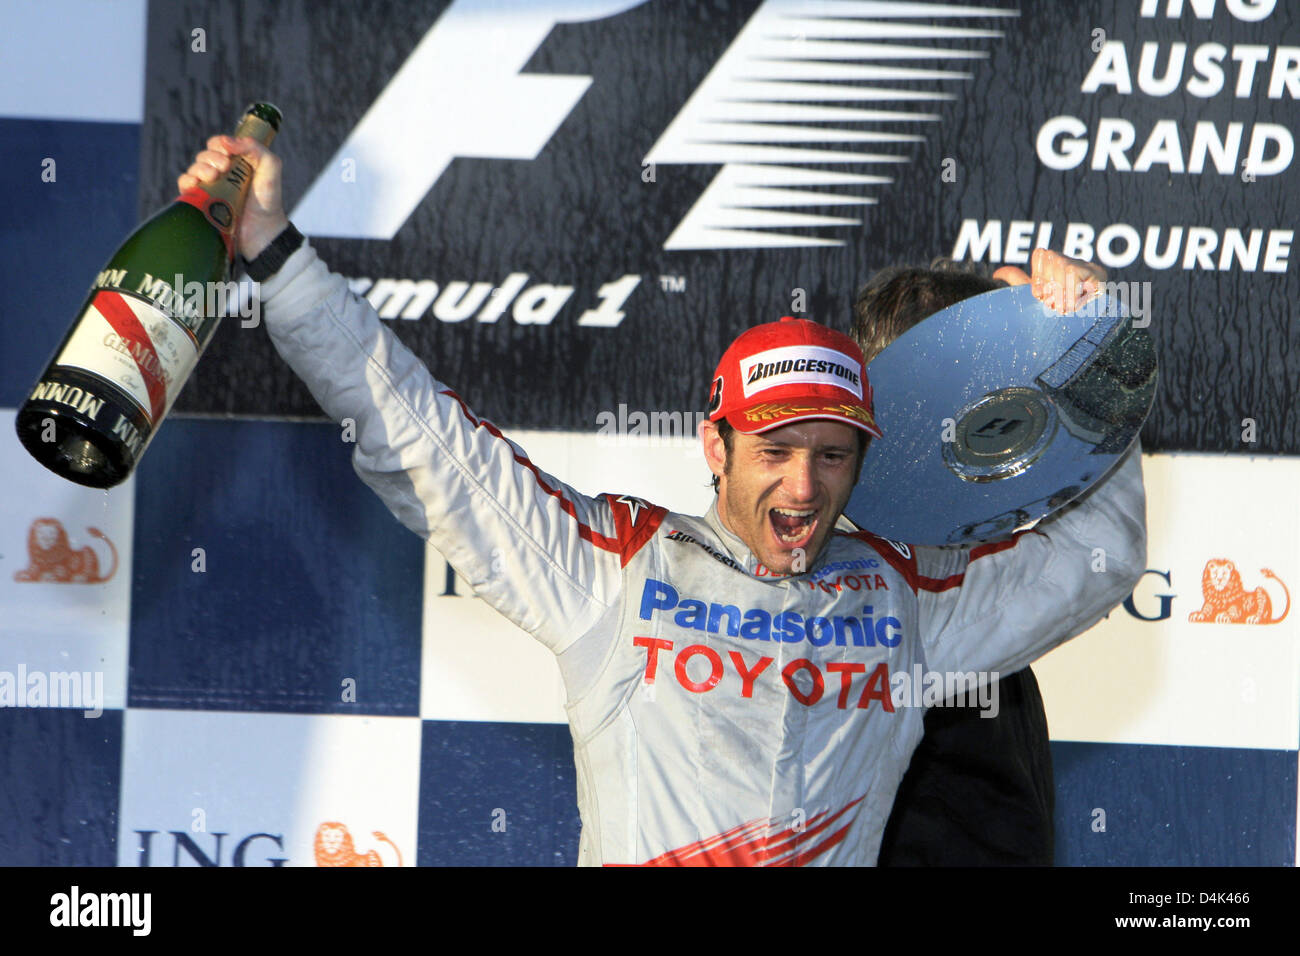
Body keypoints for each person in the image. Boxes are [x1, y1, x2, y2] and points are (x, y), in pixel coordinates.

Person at [179, 135, 1146, 866]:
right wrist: (273, 249)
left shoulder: (907, 602)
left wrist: (1085, 356)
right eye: (775, 449)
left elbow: (1090, 563)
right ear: (713, 445)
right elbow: (419, 436)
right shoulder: (618, 567)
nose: (804, 486)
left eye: (834, 455)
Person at [851, 257, 1094, 866]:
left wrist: (1072, 319)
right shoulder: (854, 547)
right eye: (985, 368)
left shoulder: (972, 519)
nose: (1006, 388)